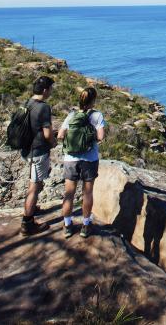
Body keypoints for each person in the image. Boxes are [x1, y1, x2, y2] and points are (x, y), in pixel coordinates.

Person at [56, 86, 106, 239]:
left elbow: (60, 135)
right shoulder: (97, 115)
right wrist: (88, 141)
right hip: (89, 159)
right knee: (88, 193)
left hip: (71, 159)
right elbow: (100, 137)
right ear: (93, 100)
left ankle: (67, 226)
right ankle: (85, 225)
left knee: (69, 193)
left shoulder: (71, 115)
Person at [20, 75, 55, 236]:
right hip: (38, 151)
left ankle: (31, 207)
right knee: (35, 185)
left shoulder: (27, 103)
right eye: (51, 89)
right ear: (45, 90)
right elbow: (47, 134)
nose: (51, 92)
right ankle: (28, 223)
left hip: (27, 149)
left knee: (35, 182)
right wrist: (53, 143)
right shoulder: (43, 107)